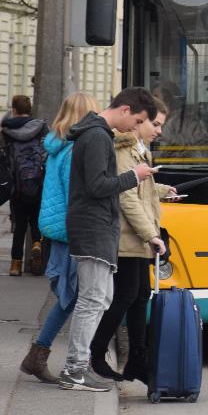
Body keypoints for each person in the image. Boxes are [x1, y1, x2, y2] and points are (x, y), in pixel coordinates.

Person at [58, 87, 158, 392]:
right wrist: (135, 176)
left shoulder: (94, 133)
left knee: (98, 299)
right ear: (125, 109)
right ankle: (75, 370)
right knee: (92, 300)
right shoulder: (99, 136)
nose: (136, 127)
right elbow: (97, 185)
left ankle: (78, 366)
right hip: (94, 228)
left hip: (94, 227)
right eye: (138, 119)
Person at [90, 97, 178, 384]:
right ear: (139, 122)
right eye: (154, 124)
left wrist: (163, 190)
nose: (158, 131)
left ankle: (138, 359)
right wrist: (150, 234)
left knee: (140, 296)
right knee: (126, 295)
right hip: (127, 237)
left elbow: (143, 189)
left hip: (137, 237)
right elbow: (127, 198)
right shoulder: (125, 151)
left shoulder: (141, 150)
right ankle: (97, 352)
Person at [19, 92, 101, 384]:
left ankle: (38, 355)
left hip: (58, 227)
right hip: (71, 230)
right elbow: (76, 195)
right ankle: (40, 355)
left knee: (72, 296)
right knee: (74, 297)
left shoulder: (57, 145)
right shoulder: (75, 150)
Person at [1, 95, 48, 277]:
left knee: (19, 226)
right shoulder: (41, 127)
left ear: (14, 109)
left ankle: (15, 265)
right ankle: (36, 244)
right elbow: (46, 152)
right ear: (30, 109)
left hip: (17, 185)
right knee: (36, 220)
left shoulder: (6, 131)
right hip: (38, 181)